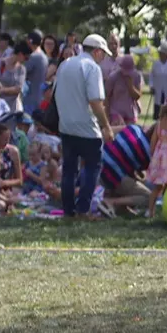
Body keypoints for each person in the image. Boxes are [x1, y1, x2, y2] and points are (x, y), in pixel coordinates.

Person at [53, 33, 112, 219]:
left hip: (66, 125)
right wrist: (106, 126)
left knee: (69, 170)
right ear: (96, 51)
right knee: (92, 167)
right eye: (103, 53)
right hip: (87, 128)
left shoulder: (65, 64)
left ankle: (68, 211)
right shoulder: (92, 68)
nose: (103, 58)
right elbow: (95, 102)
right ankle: (83, 209)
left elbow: (55, 93)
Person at [104, 53, 143, 131]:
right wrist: (107, 117)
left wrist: (130, 86)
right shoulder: (113, 77)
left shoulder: (136, 76)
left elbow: (137, 96)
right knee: (118, 136)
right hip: (115, 112)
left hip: (130, 112)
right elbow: (107, 97)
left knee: (130, 137)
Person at [149, 45, 167, 118]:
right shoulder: (156, 63)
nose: (160, 55)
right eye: (160, 53)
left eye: (162, 53)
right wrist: (151, 86)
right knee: (158, 105)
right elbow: (152, 75)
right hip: (158, 88)